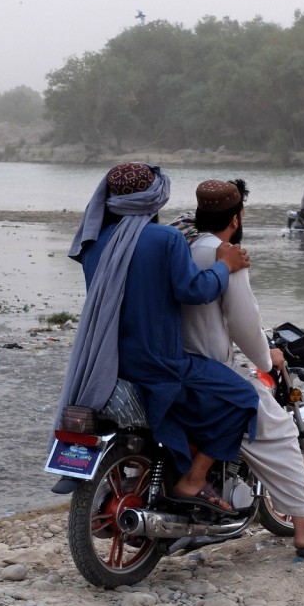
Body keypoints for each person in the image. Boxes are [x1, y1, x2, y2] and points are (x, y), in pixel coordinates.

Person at [51, 163, 259, 514]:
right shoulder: (166, 239)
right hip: (160, 362)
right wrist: (224, 264)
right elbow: (194, 290)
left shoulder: (95, 242)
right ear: (154, 199)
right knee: (243, 397)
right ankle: (194, 479)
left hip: (112, 361)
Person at [179, 178, 304, 556]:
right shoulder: (228, 255)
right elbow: (244, 321)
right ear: (237, 217)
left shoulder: (181, 245)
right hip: (209, 369)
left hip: (172, 362)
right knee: (278, 431)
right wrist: (266, 357)